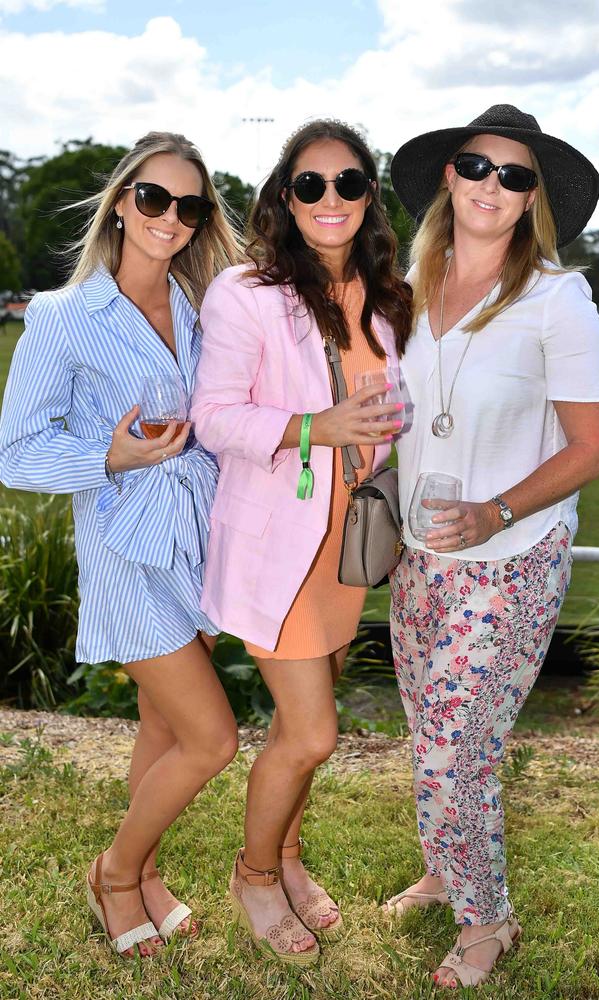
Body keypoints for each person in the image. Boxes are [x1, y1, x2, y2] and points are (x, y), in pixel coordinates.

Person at [384, 105, 599, 988]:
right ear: (449, 176)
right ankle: (445, 869)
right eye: (477, 166)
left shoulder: (558, 298)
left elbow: (595, 449)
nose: (492, 185)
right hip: (417, 551)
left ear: (532, 200)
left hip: (512, 556)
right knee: (428, 727)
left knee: (460, 744)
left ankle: (488, 920)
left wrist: (496, 513)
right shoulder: (407, 283)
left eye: (514, 176)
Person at [0, 132, 242, 958]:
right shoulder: (62, 316)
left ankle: (146, 877)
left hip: (196, 539)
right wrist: (111, 453)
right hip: (123, 550)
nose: (170, 218)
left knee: (164, 730)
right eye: (153, 198)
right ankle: (114, 871)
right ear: (121, 201)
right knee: (213, 739)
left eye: (190, 206)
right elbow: (14, 453)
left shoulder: (204, 309)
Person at [192, 119, 412, 964]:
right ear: (285, 196)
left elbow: (386, 412)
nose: (331, 199)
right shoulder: (246, 292)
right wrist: (317, 425)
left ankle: (287, 854)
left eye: (349, 184)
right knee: (312, 733)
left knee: (302, 725)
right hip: (277, 548)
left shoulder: (381, 296)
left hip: (346, 547)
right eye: (311, 184)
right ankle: (253, 875)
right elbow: (214, 418)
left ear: (369, 199)